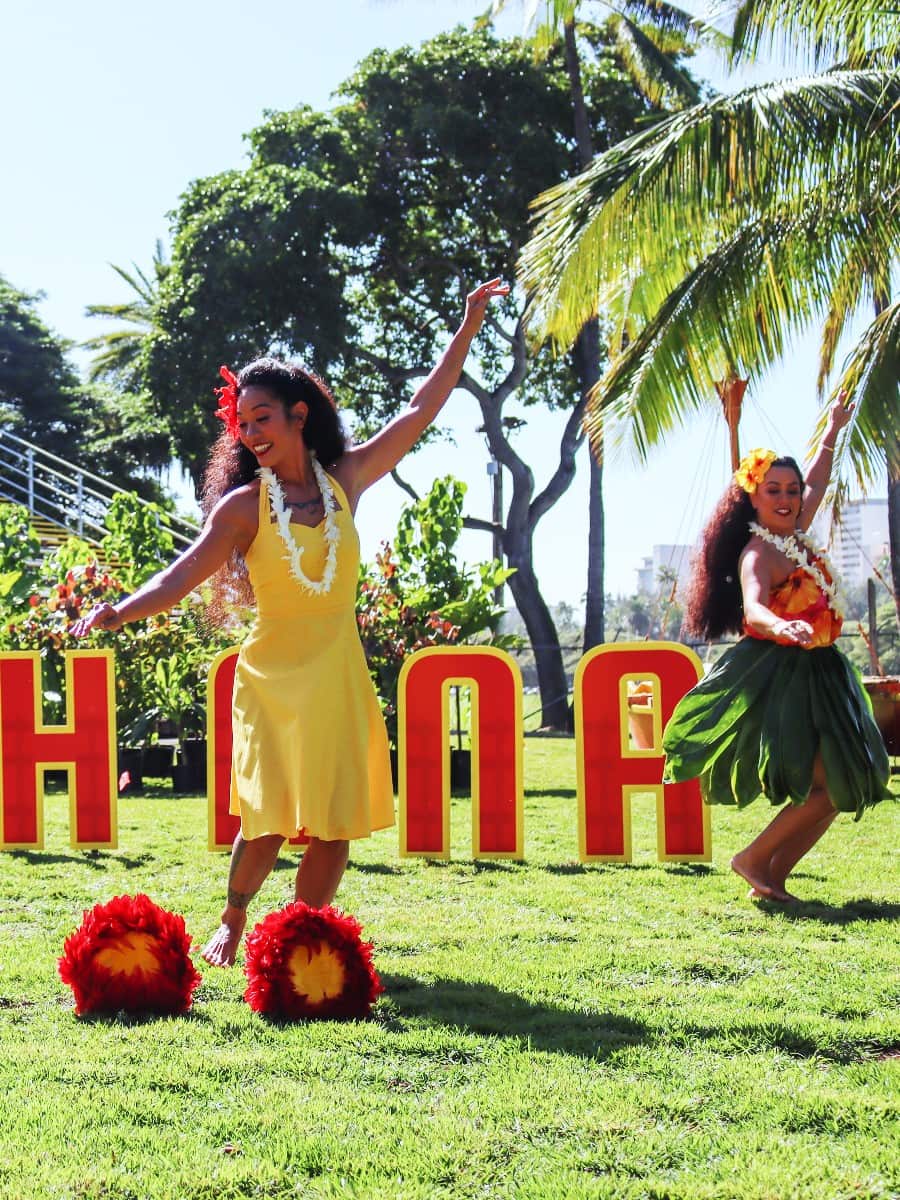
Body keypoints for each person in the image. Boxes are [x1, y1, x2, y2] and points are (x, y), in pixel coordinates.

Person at [72, 278, 510, 964]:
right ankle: (235, 919)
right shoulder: (243, 508)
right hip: (273, 678)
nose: (249, 432)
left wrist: (465, 328)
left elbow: (422, 408)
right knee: (269, 816)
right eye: (242, 423)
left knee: (334, 820)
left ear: (298, 416)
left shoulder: (349, 480)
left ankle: (300, 939)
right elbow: (182, 573)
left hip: (336, 671)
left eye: (262, 418)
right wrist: (119, 610)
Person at [662, 396, 891, 903]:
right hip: (781, 678)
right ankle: (749, 860)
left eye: (791, 490)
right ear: (755, 498)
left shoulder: (795, 534)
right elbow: (753, 609)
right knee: (831, 781)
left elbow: (819, 477)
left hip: (823, 672)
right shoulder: (759, 552)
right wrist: (782, 627)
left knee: (841, 781)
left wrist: (832, 428)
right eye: (775, 491)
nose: (787, 498)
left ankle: (770, 877)